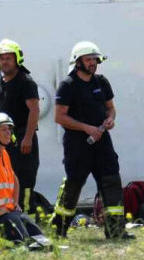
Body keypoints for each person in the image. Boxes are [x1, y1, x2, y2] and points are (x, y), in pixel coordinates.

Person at [51, 41, 133, 240]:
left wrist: (110, 119)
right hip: (78, 146)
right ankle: (58, 230)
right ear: (77, 62)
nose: (92, 63)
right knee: (73, 185)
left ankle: (115, 231)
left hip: (103, 144)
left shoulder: (101, 82)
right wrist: (86, 127)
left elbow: (110, 108)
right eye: (88, 60)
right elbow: (59, 117)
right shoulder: (68, 85)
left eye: (94, 60)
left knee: (111, 182)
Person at [0, 112, 49, 249]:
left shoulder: (3, 153)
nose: (8, 133)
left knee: (31, 228)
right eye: (4, 129)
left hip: (3, 212)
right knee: (20, 242)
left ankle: (43, 246)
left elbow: (14, 180)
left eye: (9, 129)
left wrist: (14, 203)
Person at [0, 39, 40, 213]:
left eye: (8, 58)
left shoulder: (25, 81)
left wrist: (27, 138)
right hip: (3, 142)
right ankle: (11, 219)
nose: (5, 62)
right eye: (2, 58)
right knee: (5, 180)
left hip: (22, 139)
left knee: (25, 181)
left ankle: (29, 222)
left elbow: (34, 110)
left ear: (17, 59)